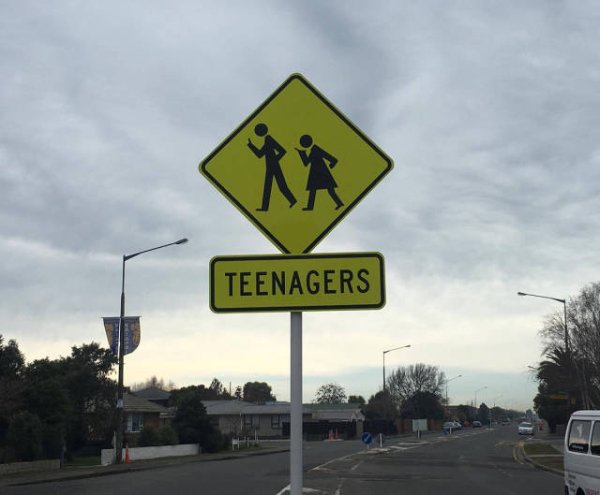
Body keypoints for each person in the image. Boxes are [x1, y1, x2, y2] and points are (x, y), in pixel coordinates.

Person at [247, 123, 297, 211]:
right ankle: (266, 207)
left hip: (274, 166)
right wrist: (250, 145)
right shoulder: (266, 141)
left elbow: (282, 151)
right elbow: (260, 154)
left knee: (278, 186)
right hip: (270, 167)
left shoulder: (269, 139)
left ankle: (292, 200)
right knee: (272, 186)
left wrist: (275, 160)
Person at [296, 134, 343, 211]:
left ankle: (339, 203)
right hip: (316, 173)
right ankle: (310, 207)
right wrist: (301, 153)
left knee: (329, 190)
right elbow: (306, 163)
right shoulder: (313, 149)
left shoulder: (315, 149)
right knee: (313, 190)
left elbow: (326, 155)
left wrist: (333, 162)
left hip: (322, 173)